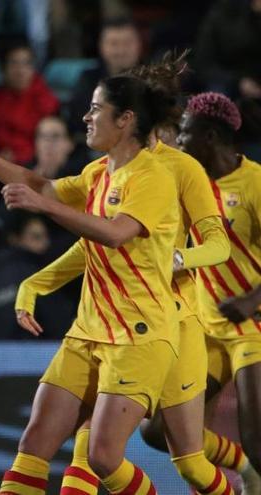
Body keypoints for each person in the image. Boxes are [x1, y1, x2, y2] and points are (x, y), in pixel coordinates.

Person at [0, 71, 182, 493]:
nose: (85, 116)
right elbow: (39, 183)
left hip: (139, 337)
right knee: (33, 444)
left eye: (96, 109)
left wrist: (43, 206)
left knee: (102, 457)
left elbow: (116, 233)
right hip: (88, 330)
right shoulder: (99, 172)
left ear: (125, 120)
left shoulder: (152, 177)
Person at [10, 56, 248, 494]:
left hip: (174, 325)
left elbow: (216, 245)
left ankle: (244, 477)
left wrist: (179, 259)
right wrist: (35, 283)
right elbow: (90, 241)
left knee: (185, 459)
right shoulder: (105, 171)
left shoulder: (177, 171)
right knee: (89, 448)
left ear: (130, 119)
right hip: (110, 322)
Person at [176, 91, 261, 477]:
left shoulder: (255, 183)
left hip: (251, 328)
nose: (178, 140)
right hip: (206, 328)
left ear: (208, 136)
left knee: (257, 439)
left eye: (184, 132)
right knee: (161, 431)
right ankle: (244, 468)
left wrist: (251, 299)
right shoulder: (188, 184)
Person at [0, 210, 74, 340]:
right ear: (15, 239)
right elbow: (59, 325)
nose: (46, 244)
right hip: (33, 355)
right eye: (36, 237)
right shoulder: (37, 279)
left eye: (46, 237)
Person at [0, 41, 60, 166]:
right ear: (2, 69)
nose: (21, 71)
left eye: (27, 64)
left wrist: (17, 159)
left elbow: (54, 145)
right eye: (14, 64)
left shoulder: (47, 101)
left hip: (34, 165)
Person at [66, 17, 141, 142]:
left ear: (139, 44)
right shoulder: (88, 80)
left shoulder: (153, 79)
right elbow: (78, 122)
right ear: (101, 46)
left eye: (127, 43)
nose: (121, 51)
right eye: (114, 44)